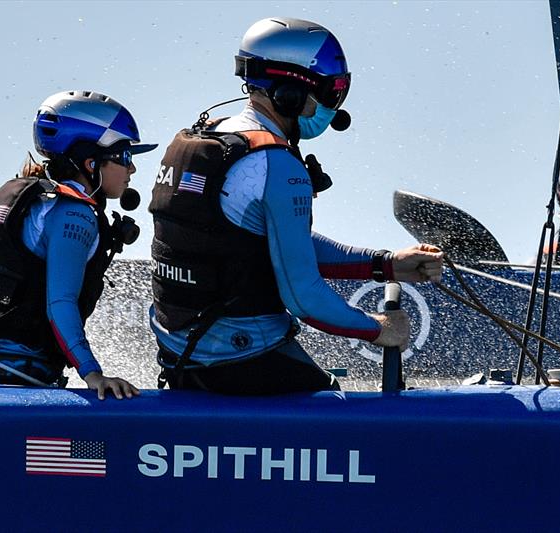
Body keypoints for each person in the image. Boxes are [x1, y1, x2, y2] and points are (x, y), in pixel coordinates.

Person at [148, 17, 444, 395]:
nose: (333, 106)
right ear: (289, 92)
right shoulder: (277, 164)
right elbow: (303, 296)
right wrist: (379, 329)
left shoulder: (208, 139)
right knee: (347, 417)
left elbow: (258, 243)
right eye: (331, 91)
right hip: (242, 360)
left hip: (181, 355)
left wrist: (385, 264)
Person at [0, 90, 156, 399]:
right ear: (90, 162)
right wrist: (93, 374)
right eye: (125, 156)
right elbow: (60, 304)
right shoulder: (74, 214)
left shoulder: (27, 196)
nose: (132, 169)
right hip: (14, 371)